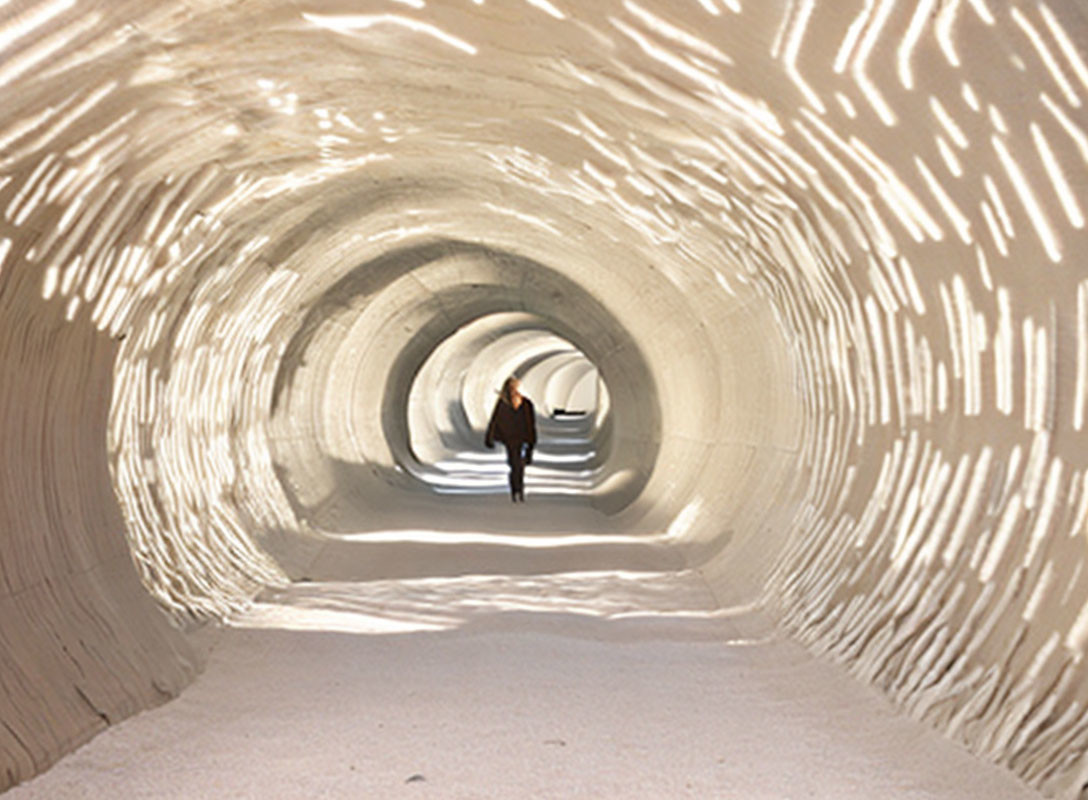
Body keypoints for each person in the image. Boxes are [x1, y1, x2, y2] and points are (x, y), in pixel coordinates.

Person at [484, 377, 537, 503]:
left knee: (514, 463)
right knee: (518, 463)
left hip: (511, 439)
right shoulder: (524, 404)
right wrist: (531, 441)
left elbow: (494, 421)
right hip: (519, 438)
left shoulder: (504, 404)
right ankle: (518, 487)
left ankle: (516, 488)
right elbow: (530, 424)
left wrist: (490, 437)